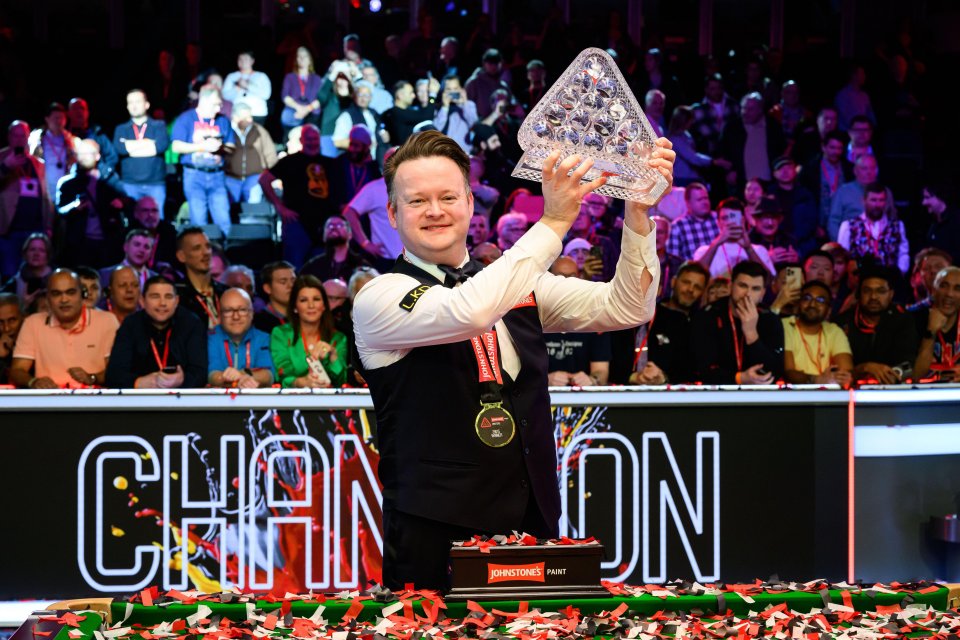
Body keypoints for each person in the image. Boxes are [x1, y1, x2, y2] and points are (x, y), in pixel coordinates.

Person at [351, 130, 675, 590]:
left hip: (533, 520)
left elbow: (628, 308)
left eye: (447, 196)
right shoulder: (379, 296)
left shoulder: (514, 282)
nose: (435, 211)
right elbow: (469, 310)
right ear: (392, 213)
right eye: (417, 200)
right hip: (434, 532)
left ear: (470, 202)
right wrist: (555, 221)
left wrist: (638, 214)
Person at [9, 269, 119, 388]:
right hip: (50, 402)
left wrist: (92, 378)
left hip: (96, 401)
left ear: (82, 295)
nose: (64, 300)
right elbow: (17, 371)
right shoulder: (33, 323)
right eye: (56, 294)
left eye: (70, 292)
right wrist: (34, 382)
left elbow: (118, 371)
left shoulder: (107, 321)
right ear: (47, 298)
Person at [105, 275, 208, 388]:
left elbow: (200, 372)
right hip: (139, 400)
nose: (162, 303)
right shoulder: (130, 325)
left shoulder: (191, 323)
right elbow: (113, 375)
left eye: (168, 297)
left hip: (181, 399)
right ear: (142, 301)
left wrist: (183, 380)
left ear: (177, 301)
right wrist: (138, 383)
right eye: (155, 296)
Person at [691, 260, 784, 385]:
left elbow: (773, 371)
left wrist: (751, 334)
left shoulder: (770, 319)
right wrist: (739, 378)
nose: (747, 294)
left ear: (762, 293)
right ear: (731, 286)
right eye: (742, 286)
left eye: (755, 289)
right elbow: (702, 369)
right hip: (715, 396)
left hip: (759, 395)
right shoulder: (708, 316)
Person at [259, 124, 341, 267]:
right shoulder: (290, 161)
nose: (312, 142)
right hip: (296, 222)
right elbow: (264, 179)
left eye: (315, 139)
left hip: (323, 224)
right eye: (308, 139)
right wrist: (280, 207)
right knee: (294, 266)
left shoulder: (330, 163)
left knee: (322, 267)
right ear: (301, 140)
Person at [55, 138, 131, 268]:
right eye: (81, 153)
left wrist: (120, 203)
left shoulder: (109, 179)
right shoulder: (68, 183)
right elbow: (59, 210)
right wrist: (74, 206)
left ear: (97, 156)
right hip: (79, 243)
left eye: (88, 153)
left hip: (106, 242)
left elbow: (127, 200)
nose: (84, 157)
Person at [630, 260, 709, 385]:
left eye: (697, 287)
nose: (690, 289)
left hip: (675, 396)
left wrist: (665, 379)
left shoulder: (703, 324)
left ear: (703, 293)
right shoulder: (649, 314)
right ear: (673, 282)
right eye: (686, 282)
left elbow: (695, 370)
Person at [836, 266, 918, 384]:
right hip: (852, 391)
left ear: (891, 294)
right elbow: (839, 372)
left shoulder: (903, 319)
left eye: (881, 291)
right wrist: (865, 368)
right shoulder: (843, 322)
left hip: (892, 389)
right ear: (859, 294)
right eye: (867, 291)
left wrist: (891, 374)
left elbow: (909, 363)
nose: (873, 297)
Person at [171, 87, 235, 235]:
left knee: (224, 220)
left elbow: (232, 147)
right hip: (194, 175)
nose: (219, 107)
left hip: (217, 175)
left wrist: (220, 147)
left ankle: (224, 253)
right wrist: (202, 146)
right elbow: (176, 146)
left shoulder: (223, 120)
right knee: (199, 221)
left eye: (220, 104)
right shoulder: (186, 119)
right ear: (204, 101)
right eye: (216, 104)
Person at [270, 274, 347, 388]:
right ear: (295, 307)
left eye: (316, 299)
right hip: (293, 401)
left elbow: (341, 381)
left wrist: (333, 357)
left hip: (328, 402)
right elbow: (282, 375)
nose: (311, 305)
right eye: (303, 300)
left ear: (324, 305)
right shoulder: (280, 334)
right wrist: (301, 382)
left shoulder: (338, 338)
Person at [544, 257, 612, 386]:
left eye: (572, 276)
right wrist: (544, 380)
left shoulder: (595, 318)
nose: (568, 282)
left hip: (584, 399)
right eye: (560, 277)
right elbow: (519, 372)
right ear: (548, 280)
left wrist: (592, 380)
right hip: (540, 399)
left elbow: (601, 372)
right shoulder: (532, 318)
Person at [1, 120, 53, 280]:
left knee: (34, 277)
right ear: (9, 137)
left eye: (22, 135)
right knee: (9, 276)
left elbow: (46, 198)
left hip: (34, 233)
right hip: (8, 231)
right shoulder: (2, 157)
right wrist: (5, 167)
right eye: (15, 135)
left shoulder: (38, 164)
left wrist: (48, 225)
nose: (19, 139)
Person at [782, 280, 853, 386]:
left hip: (828, 397)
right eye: (807, 298)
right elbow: (788, 371)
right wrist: (816, 380)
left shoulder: (834, 331)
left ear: (829, 310)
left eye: (820, 300)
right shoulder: (785, 325)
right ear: (798, 303)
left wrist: (843, 377)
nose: (812, 304)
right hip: (793, 396)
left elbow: (846, 370)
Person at [342, 148, 403, 265]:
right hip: (386, 261)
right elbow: (348, 213)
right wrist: (365, 243)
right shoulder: (374, 189)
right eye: (390, 160)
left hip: (416, 259)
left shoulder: (417, 187)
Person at [113, 89, 169, 214]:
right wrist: (148, 144)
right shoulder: (121, 129)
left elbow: (160, 146)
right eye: (130, 102)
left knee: (156, 220)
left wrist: (130, 147)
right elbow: (121, 149)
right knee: (132, 220)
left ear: (146, 104)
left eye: (137, 101)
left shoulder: (159, 126)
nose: (134, 105)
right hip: (130, 183)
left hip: (155, 183)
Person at [207, 288, 274, 388]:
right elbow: (211, 375)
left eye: (242, 310)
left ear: (252, 313)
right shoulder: (211, 337)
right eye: (228, 311)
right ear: (220, 315)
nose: (236, 317)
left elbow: (269, 376)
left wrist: (242, 375)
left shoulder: (264, 338)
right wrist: (237, 378)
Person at [837, 182, 910, 274]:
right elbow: (843, 256)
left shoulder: (897, 226)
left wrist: (900, 273)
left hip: (889, 281)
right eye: (873, 200)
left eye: (881, 200)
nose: (877, 205)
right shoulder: (848, 226)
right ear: (863, 200)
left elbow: (903, 254)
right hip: (860, 280)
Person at [693, 198, 775, 278]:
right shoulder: (703, 251)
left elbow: (770, 282)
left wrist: (748, 249)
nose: (730, 222)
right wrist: (716, 243)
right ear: (718, 223)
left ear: (743, 221)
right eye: (725, 218)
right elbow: (694, 277)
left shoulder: (759, 251)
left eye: (734, 217)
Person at [826, 154, 895, 240]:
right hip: (850, 242)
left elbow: (893, 219)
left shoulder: (885, 192)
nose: (869, 172)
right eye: (864, 168)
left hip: (880, 243)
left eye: (872, 168)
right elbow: (833, 222)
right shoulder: (843, 192)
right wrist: (841, 245)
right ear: (855, 171)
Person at [912, 266, 960, 382]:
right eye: (943, 286)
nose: (949, 294)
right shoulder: (913, 319)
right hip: (923, 395)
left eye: (957, 289)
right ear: (933, 290)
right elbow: (915, 376)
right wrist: (931, 331)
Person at [224, 102, 277, 205]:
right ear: (235, 117)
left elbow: (271, 154)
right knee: (231, 207)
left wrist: (270, 175)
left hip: (254, 177)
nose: (250, 120)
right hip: (231, 177)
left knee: (254, 205)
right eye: (246, 117)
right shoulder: (226, 130)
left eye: (250, 116)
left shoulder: (259, 131)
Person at [174, 227, 226, 330]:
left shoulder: (225, 293)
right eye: (197, 248)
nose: (206, 252)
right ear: (181, 256)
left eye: (208, 246)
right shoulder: (176, 297)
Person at [800, 130, 851, 232]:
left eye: (839, 148)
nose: (835, 152)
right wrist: (814, 225)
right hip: (818, 224)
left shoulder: (849, 169)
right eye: (832, 147)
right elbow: (805, 199)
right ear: (823, 147)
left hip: (842, 223)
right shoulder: (810, 169)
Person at [767, 156, 818, 256]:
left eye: (788, 168)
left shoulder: (805, 194)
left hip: (804, 245)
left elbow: (812, 220)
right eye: (781, 168)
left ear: (795, 170)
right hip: (776, 244)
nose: (785, 172)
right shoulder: (769, 196)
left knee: (800, 270)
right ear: (774, 174)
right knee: (785, 271)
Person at [28, 103, 76, 200]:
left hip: (66, 191)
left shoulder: (73, 141)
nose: (58, 121)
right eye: (55, 118)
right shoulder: (37, 140)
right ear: (47, 119)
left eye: (61, 118)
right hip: (43, 190)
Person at [301, 215, 369, 282]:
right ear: (323, 236)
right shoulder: (312, 266)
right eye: (329, 226)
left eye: (339, 225)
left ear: (350, 235)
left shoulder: (361, 266)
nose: (333, 228)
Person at [66, 98, 119, 184]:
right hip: (72, 182)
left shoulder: (98, 134)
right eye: (75, 108)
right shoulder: (63, 136)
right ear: (68, 113)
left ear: (87, 113)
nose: (79, 111)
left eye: (82, 108)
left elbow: (112, 157)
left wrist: (103, 173)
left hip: (95, 183)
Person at [665, 182, 718, 261]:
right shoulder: (678, 226)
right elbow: (673, 260)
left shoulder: (718, 218)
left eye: (706, 198)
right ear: (688, 203)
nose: (705, 202)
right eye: (699, 199)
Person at [1, 233, 53, 309]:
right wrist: (23, 305)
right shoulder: (14, 283)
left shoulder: (55, 279)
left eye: (41, 250)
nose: (36, 254)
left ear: (47, 255)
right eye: (32, 249)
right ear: (25, 254)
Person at [333, 124, 380, 205]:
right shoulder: (340, 163)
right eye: (351, 144)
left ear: (366, 148)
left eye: (356, 146)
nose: (352, 149)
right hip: (343, 213)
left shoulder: (373, 168)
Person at [279, 46, 322, 133]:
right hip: (294, 110)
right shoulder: (289, 77)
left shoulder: (317, 79)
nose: (302, 59)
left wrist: (306, 110)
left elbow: (320, 99)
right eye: (299, 56)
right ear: (296, 59)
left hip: (311, 111)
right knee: (286, 117)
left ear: (310, 59)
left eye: (305, 56)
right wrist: (299, 108)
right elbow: (285, 96)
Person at [222, 51, 272, 124]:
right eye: (240, 59)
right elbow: (225, 96)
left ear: (252, 61)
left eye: (245, 59)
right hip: (237, 114)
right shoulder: (232, 76)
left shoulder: (261, 76)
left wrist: (247, 86)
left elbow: (266, 95)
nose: (242, 61)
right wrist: (237, 88)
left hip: (257, 113)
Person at [333, 83, 382, 157]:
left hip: (374, 160)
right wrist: (360, 145)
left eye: (366, 95)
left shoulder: (374, 113)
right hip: (356, 161)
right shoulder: (347, 115)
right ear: (355, 96)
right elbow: (337, 141)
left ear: (371, 98)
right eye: (360, 95)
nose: (363, 98)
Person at [465, 49, 514, 119]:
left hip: (499, 126)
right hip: (478, 124)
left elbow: (507, 107)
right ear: (484, 63)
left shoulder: (503, 86)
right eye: (490, 63)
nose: (494, 66)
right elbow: (466, 105)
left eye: (496, 63)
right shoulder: (474, 83)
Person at [433, 76, 478, 153]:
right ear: (443, 91)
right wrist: (445, 107)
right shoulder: (439, 108)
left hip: (464, 151)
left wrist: (464, 103)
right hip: (446, 152)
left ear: (461, 89)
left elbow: (473, 123)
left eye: (455, 89)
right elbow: (436, 128)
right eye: (449, 89)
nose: (452, 92)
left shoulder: (468, 105)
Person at [129, 195, 177, 269]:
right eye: (145, 210)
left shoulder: (170, 233)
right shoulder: (126, 235)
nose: (150, 215)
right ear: (136, 214)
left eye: (154, 210)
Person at [921, 182, 960, 263]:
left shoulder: (956, 221)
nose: (923, 202)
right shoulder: (931, 223)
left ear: (940, 197)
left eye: (927, 198)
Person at [254, 261, 296, 334]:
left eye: (293, 281)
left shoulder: (303, 316)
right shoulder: (258, 323)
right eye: (283, 282)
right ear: (268, 288)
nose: (291, 285)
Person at [381, 81, 425, 148]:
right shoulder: (398, 113)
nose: (414, 96)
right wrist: (432, 96)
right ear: (400, 95)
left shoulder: (388, 112)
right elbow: (427, 117)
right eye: (411, 93)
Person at [0, 293, 24, 384]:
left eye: (12, 320)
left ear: (23, 317)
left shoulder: (35, 340)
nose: (6, 328)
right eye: (0, 322)